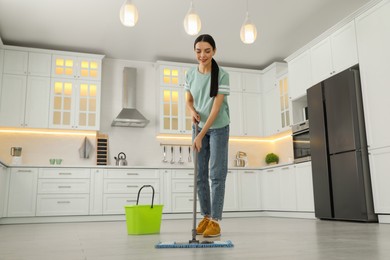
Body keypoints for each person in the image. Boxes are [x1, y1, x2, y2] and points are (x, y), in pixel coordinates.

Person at [184, 34, 230, 238]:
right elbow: (189, 99)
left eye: (207, 51)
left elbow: (216, 109)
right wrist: (191, 110)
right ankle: (205, 216)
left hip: (218, 127)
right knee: (199, 175)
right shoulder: (190, 74)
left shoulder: (222, 75)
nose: (202, 55)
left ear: (214, 52)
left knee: (216, 174)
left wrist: (201, 134)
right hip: (198, 128)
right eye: (198, 51)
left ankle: (216, 221)